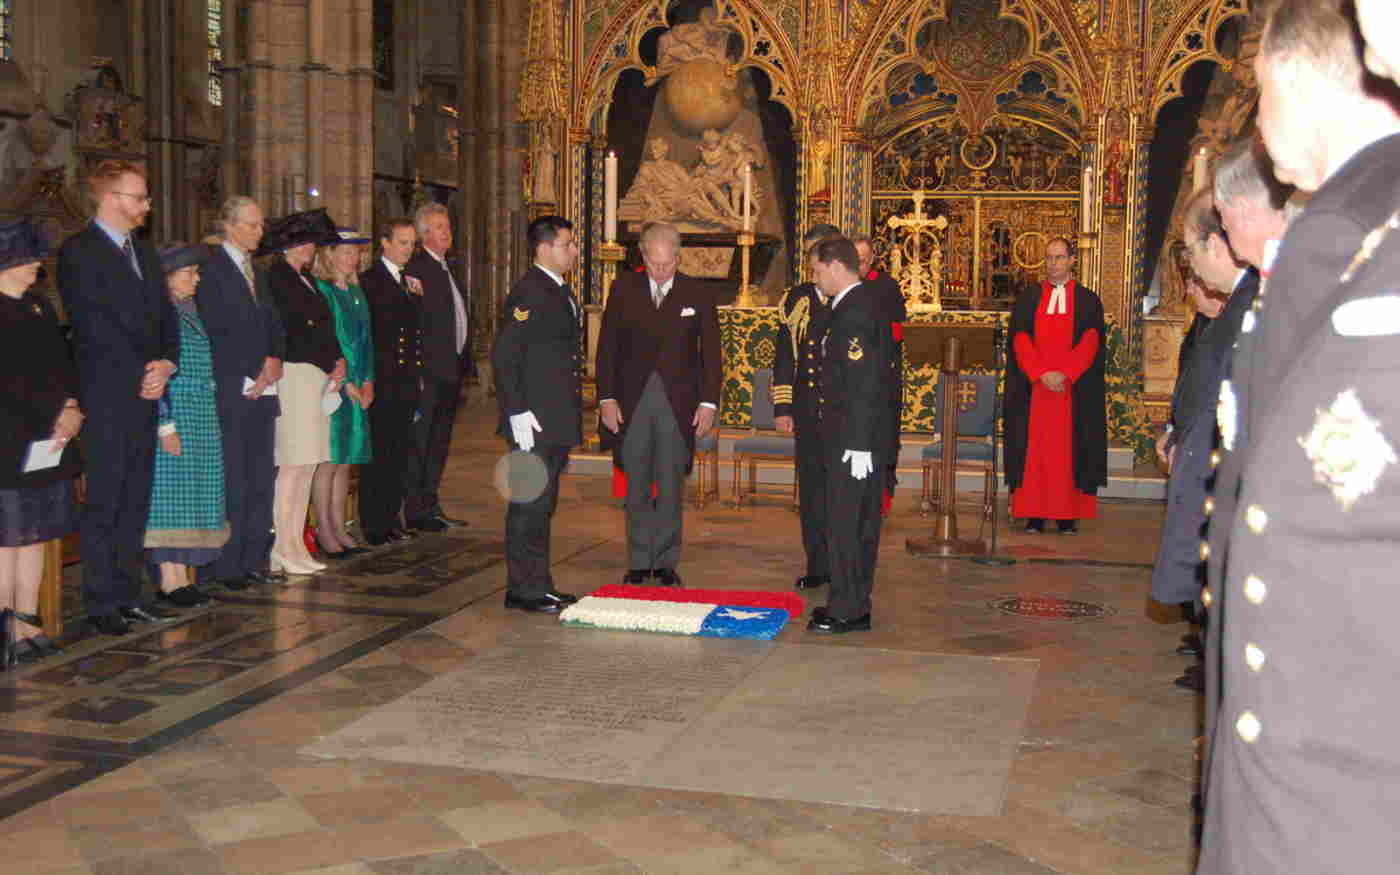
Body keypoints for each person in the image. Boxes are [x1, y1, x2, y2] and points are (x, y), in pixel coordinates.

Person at [1198, 2, 1400, 871]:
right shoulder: (1356, 223)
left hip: (1343, 776)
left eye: (1257, 92)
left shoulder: (1345, 229)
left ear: (1292, 83)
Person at [57, 160, 179, 635]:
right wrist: (140, 372)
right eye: (138, 197)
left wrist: (166, 363)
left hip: (148, 389)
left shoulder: (144, 254)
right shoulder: (79, 252)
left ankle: (129, 594)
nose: (146, 205)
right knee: (106, 498)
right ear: (110, 199)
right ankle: (101, 600)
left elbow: (165, 318)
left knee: (135, 498)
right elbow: (94, 326)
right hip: (108, 393)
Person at [1151, 189, 1259, 695]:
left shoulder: (1250, 305)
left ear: (1217, 243)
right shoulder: (1237, 306)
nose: (1191, 274)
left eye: (1192, 254)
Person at [596, 222, 721, 586]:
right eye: (655, 264)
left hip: (678, 403)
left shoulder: (696, 293)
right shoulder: (623, 289)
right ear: (643, 256)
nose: (661, 271)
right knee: (635, 485)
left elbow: (711, 354)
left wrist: (709, 403)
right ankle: (638, 560)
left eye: (668, 264)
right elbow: (607, 349)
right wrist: (606, 398)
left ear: (678, 258)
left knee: (670, 485)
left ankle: (665, 562)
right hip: (632, 402)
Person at [490, 215, 582, 614]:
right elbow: (506, 355)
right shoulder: (529, 292)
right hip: (533, 420)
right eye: (567, 244)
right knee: (529, 504)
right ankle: (524, 589)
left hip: (552, 417)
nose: (574, 250)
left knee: (542, 504)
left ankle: (537, 582)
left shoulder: (557, 289)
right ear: (544, 249)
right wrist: (517, 411)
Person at [806, 238, 897, 634]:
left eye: (816, 271)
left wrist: (859, 443)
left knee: (848, 524)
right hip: (847, 435)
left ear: (835, 267)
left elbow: (864, 383)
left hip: (853, 440)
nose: (815, 279)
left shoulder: (856, 311)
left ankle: (847, 608)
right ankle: (850, 602)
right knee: (848, 522)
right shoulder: (849, 307)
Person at [0, 218, 81, 660]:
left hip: (47, 437)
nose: (36, 265)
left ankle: (28, 620)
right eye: (28, 258)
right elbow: (9, 381)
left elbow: (62, 362)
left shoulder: (39, 306)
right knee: (7, 537)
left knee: (35, 533)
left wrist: (70, 405)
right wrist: (55, 412)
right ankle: (6, 626)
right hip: (10, 437)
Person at [197, 195, 286, 591]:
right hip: (233, 387)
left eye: (260, 224)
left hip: (264, 386)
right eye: (251, 225)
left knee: (259, 475)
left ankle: (254, 557)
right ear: (230, 226)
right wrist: (253, 369)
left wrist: (274, 358)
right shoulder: (211, 269)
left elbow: (272, 321)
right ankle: (227, 564)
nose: (259, 231)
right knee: (234, 475)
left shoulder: (258, 271)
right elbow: (217, 329)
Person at [1002, 237, 1107, 535]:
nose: (1053, 264)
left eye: (1059, 257)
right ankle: (1033, 515)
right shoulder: (1029, 297)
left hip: (1071, 392)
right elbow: (1020, 339)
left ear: (1073, 260)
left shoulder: (1088, 300)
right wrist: (1039, 372)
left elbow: (1091, 342)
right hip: (1034, 391)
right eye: (1049, 258)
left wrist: (1067, 373)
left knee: (1069, 455)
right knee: (1034, 455)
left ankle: (1066, 517)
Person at [261, 208, 345, 575]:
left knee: (309, 464)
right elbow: (293, 332)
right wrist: (327, 359)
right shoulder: (277, 279)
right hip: (295, 374)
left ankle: (296, 541)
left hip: (315, 376)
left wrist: (337, 360)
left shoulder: (305, 278)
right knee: (293, 464)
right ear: (291, 245)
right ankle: (282, 545)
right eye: (308, 242)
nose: (312, 249)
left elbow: (324, 328)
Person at [143, 243, 226, 608]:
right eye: (189, 273)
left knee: (191, 492)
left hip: (200, 411)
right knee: (170, 495)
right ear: (169, 278)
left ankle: (181, 575)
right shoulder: (159, 314)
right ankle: (168, 578)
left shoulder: (190, 310)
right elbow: (155, 369)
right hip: (176, 409)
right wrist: (165, 425)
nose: (197, 278)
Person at [772, 223, 841, 592]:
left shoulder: (849, 297)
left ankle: (841, 563)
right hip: (807, 409)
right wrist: (783, 406)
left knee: (839, 491)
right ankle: (817, 563)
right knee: (812, 491)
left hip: (840, 412)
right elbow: (785, 355)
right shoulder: (795, 299)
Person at [403, 203, 469, 532]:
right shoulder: (417, 269)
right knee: (421, 441)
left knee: (439, 442)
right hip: (429, 371)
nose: (447, 231)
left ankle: (430, 502)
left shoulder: (445, 266)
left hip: (449, 370)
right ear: (424, 233)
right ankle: (415, 510)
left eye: (447, 225)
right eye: (440, 226)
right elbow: (417, 324)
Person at [359, 217, 424, 547]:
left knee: (400, 453)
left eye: (412, 243)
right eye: (402, 242)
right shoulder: (370, 281)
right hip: (384, 379)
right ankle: (374, 523)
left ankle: (392, 517)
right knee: (380, 455)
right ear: (384, 243)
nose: (408, 249)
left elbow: (415, 334)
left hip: (406, 380)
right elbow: (371, 335)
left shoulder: (410, 281)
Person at [311, 229, 374, 559]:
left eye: (357, 253)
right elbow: (331, 341)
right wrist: (348, 381)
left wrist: (368, 381)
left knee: (346, 461)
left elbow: (366, 342)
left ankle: (339, 524)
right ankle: (325, 528)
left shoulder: (355, 292)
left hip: (357, 383)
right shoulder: (323, 291)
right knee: (330, 458)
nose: (353, 258)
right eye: (346, 252)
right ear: (330, 255)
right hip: (334, 383)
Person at [853, 234, 908, 512]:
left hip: (881, 379)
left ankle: (880, 499)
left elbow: (899, 329)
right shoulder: (841, 285)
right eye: (854, 261)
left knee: (881, 439)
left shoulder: (887, 287)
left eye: (863, 261)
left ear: (872, 259)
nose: (859, 267)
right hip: (850, 381)